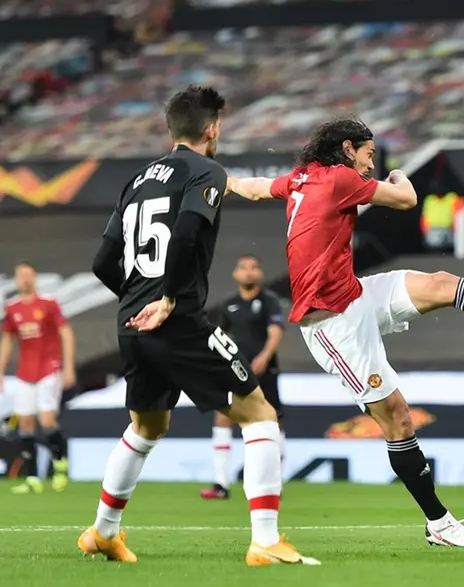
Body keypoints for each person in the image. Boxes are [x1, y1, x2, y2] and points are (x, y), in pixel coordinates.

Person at [227, 117, 464, 548]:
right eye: (368, 153)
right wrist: (398, 175)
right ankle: (438, 522)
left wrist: (222, 181)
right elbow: (406, 198)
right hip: (331, 325)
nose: (371, 163)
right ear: (348, 148)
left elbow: (255, 188)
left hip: (355, 294)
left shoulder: (301, 178)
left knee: (441, 283)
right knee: (398, 420)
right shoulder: (340, 180)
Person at [84, 85, 317, 566]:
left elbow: (104, 261)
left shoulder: (137, 181)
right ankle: (266, 541)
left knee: (147, 426)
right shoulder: (207, 171)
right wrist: (166, 298)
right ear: (212, 129)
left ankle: (104, 533)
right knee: (260, 416)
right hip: (178, 319)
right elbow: (188, 232)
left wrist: (138, 301)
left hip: (133, 324)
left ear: (172, 130)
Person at [202, 255, 285, 501]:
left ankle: (274, 483)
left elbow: (276, 331)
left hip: (264, 370)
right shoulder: (228, 305)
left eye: (253, 268)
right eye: (243, 268)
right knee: (223, 417)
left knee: (274, 421)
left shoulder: (269, 302)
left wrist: (265, 356)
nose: (249, 272)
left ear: (260, 273)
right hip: (236, 371)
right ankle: (221, 483)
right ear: (235, 275)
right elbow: (219, 336)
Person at [0, 262, 75, 494]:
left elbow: (66, 333)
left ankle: (60, 463)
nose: (25, 279)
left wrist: (68, 367)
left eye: (28, 275)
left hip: (49, 369)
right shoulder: (12, 308)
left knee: (47, 420)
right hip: (25, 372)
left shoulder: (49, 304)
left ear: (35, 278)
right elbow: (8, 341)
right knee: (25, 422)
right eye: (20, 276)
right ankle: (32, 477)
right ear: (16, 279)